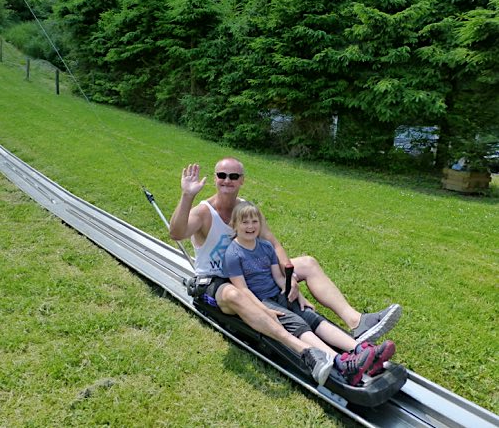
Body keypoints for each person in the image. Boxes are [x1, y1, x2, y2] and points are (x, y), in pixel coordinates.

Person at [169, 157, 401, 384]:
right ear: (216, 179)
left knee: (308, 263)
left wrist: (289, 278)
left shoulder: (246, 209)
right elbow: (177, 233)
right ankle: (311, 352)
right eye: (222, 175)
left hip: (251, 269)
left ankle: (357, 322)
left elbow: (272, 243)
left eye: (233, 176)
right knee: (234, 293)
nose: (227, 180)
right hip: (218, 279)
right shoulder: (204, 212)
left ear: (242, 180)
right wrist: (187, 196)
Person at [224, 201, 396, 385]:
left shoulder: (265, 247)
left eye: (254, 221)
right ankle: (342, 363)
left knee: (310, 316)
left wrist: (298, 295)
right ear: (234, 225)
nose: (250, 226)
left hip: (277, 293)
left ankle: (361, 349)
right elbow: (243, 290)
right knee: (298, 324)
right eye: (244, 222)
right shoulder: (233, 254)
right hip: (262, 301)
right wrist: (263, 310)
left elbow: (278, 277)